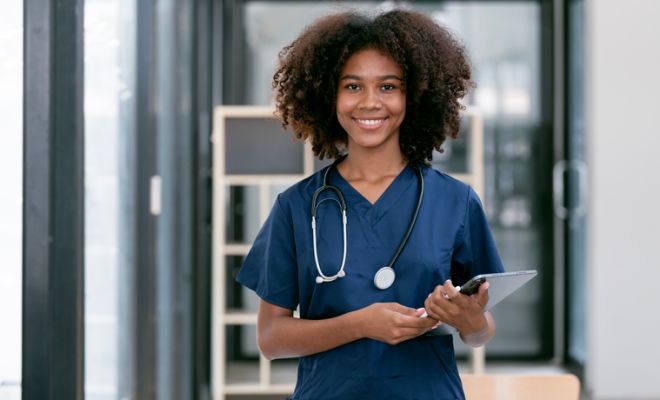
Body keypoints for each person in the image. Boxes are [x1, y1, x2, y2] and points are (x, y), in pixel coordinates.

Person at [236, 8, 504, 399]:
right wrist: (360, 324)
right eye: (353, 86)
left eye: (388, 86)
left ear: (413, 96)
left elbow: (481, 334)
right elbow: (271, 338)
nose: (370, 103)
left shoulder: (455, 201)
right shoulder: (296, 206)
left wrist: (471, 320)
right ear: (330, 96)